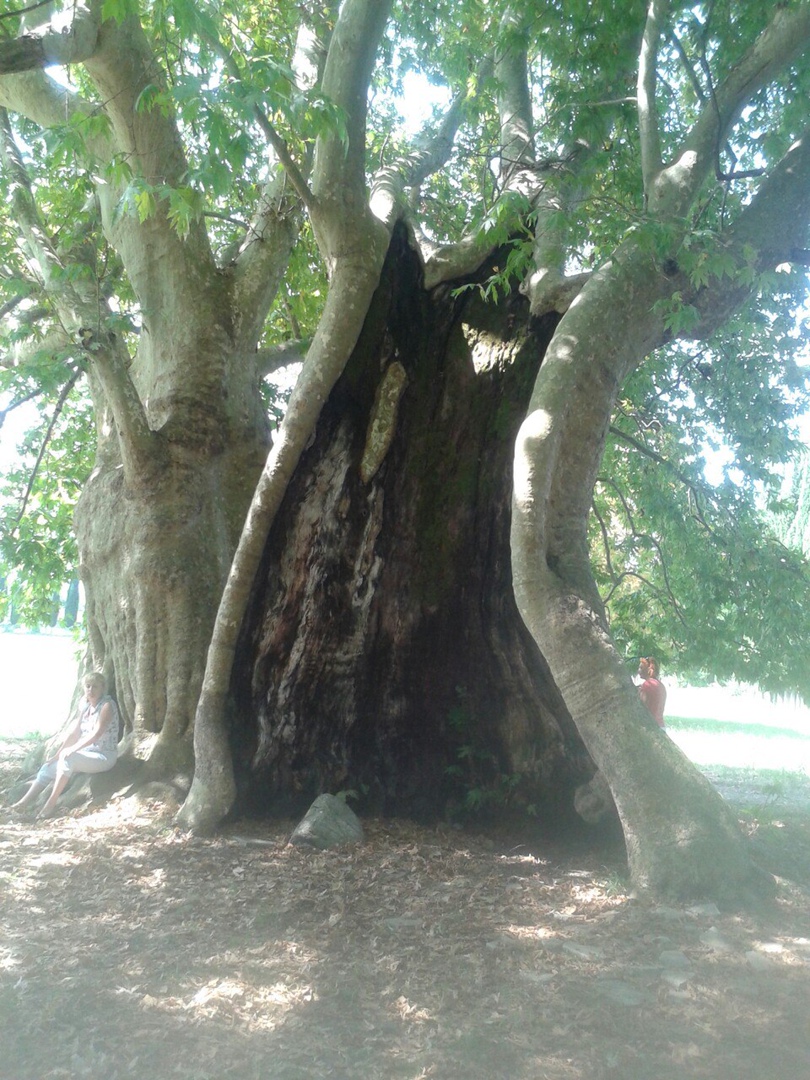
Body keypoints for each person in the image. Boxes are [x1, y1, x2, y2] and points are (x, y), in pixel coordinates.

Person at [10, 671, 120, 820]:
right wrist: (58, 754)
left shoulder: (107, 706)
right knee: (47, 767)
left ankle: (50, 804)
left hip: (104, 755)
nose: (91, 690)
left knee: (69, 758)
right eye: (88, 686)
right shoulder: (86, 707)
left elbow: (96, 734)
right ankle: (23, 803)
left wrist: (72, 749)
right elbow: (74, 734)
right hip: (87, 753)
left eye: (95, 687)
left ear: (102, 689)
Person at [637, 657, 666, 728]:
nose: (638, 671)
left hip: (650, 727)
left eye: (641, 668)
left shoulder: (646, 685)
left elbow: (641, 704)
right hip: (661, 725)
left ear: (648, 670)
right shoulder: (661, 685)